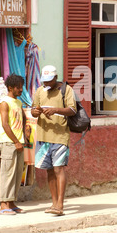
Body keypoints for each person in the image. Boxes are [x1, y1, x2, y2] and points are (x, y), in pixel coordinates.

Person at [31, 65, 76, 215]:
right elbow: (33, 110)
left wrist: (55, 110)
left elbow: (72, 110)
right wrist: (36, 111)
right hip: (43, 136)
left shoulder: (66, 90)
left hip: (60, 135)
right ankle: (54, 203)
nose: (47, 84)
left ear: (56, 78)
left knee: (59, 169)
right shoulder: (39, 91)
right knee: (49, 171)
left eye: (49, 81)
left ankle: (60, 206)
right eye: (45, 81)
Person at [0, 74, 27, 215]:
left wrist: (23, 138)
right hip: (9, 143)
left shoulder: (19, 103)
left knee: (16, 174)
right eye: (18, 87)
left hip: (19, 142)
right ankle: (4, 205)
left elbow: (23, 119)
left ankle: (12, 203)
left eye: (21, 86)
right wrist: (15, 141)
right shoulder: (4, 102)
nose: (21, 89)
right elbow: (5, 124)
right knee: (7, 173)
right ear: (10, 87)